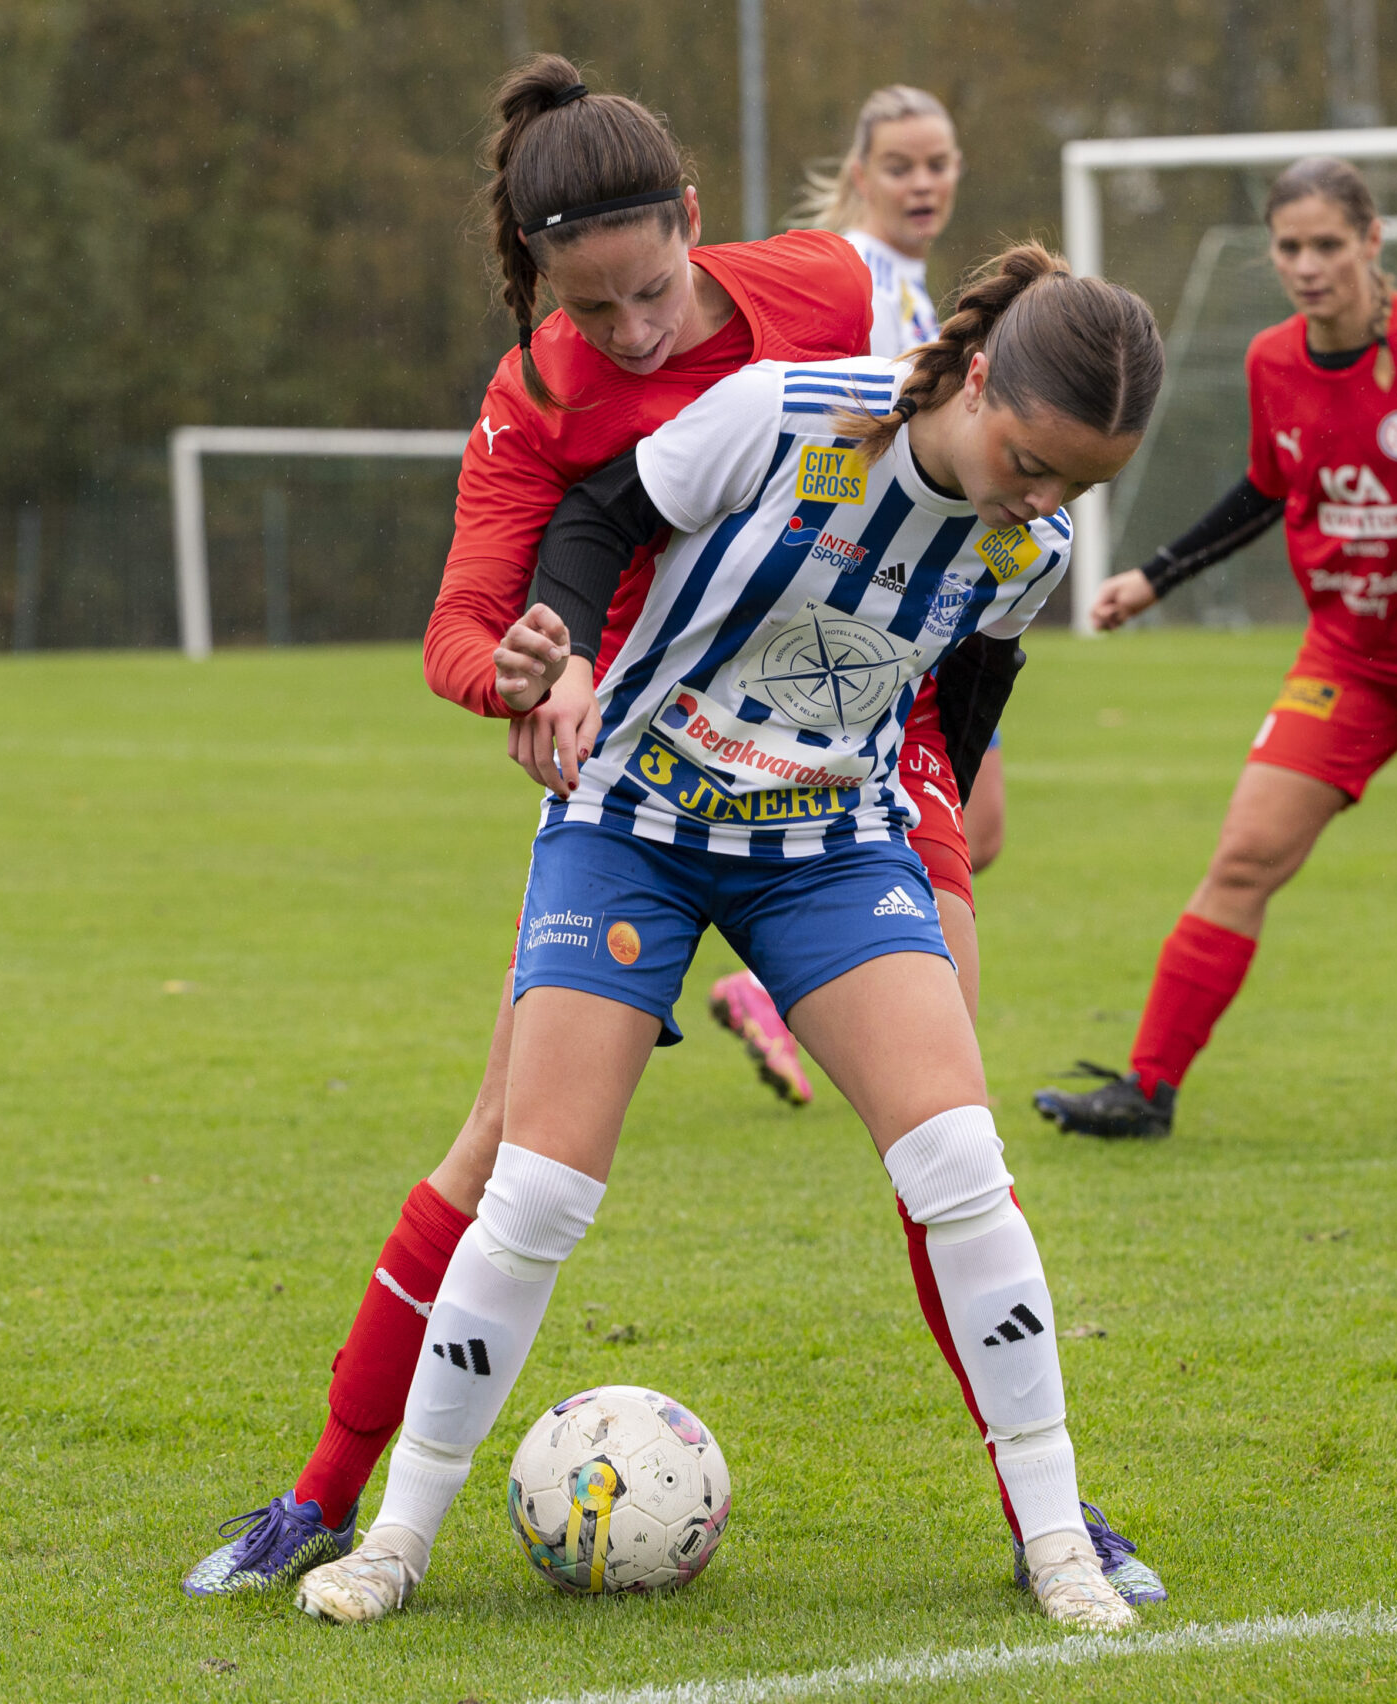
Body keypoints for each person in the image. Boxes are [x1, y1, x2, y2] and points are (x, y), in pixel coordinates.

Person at [183, 58, 1161, 1613]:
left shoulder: (859, 325)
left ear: (694, 226)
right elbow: (491, 596)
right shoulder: (558, 409)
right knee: (516, 1163)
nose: (635, 332)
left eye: (652, 293)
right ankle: (339, 1504)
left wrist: (944, 797)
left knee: (954, 1147)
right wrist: (535, 659)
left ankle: (1053, 1520)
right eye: (596, 309)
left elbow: (974, 638)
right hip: (635, 771)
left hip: (849, 779)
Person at [1032, 156, 1397, 1141]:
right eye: (1288, 247)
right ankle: (1147, 1091)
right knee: (1244, 857)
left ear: (1370, 240)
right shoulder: (1272, 360)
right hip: (1348, 658)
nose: (1307, 265)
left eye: (1326, 244)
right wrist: (1154, 575)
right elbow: (1269, 489)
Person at [712, 84, 980, 1102]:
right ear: (859, 173)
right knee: (911, 832)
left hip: (919, 611)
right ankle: (798, 990)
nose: (923, 182)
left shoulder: (919, 290)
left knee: (972, 832)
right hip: (859, 615)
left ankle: (786, 986)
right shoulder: (849, 278)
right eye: (901, 165)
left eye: (938, 162)